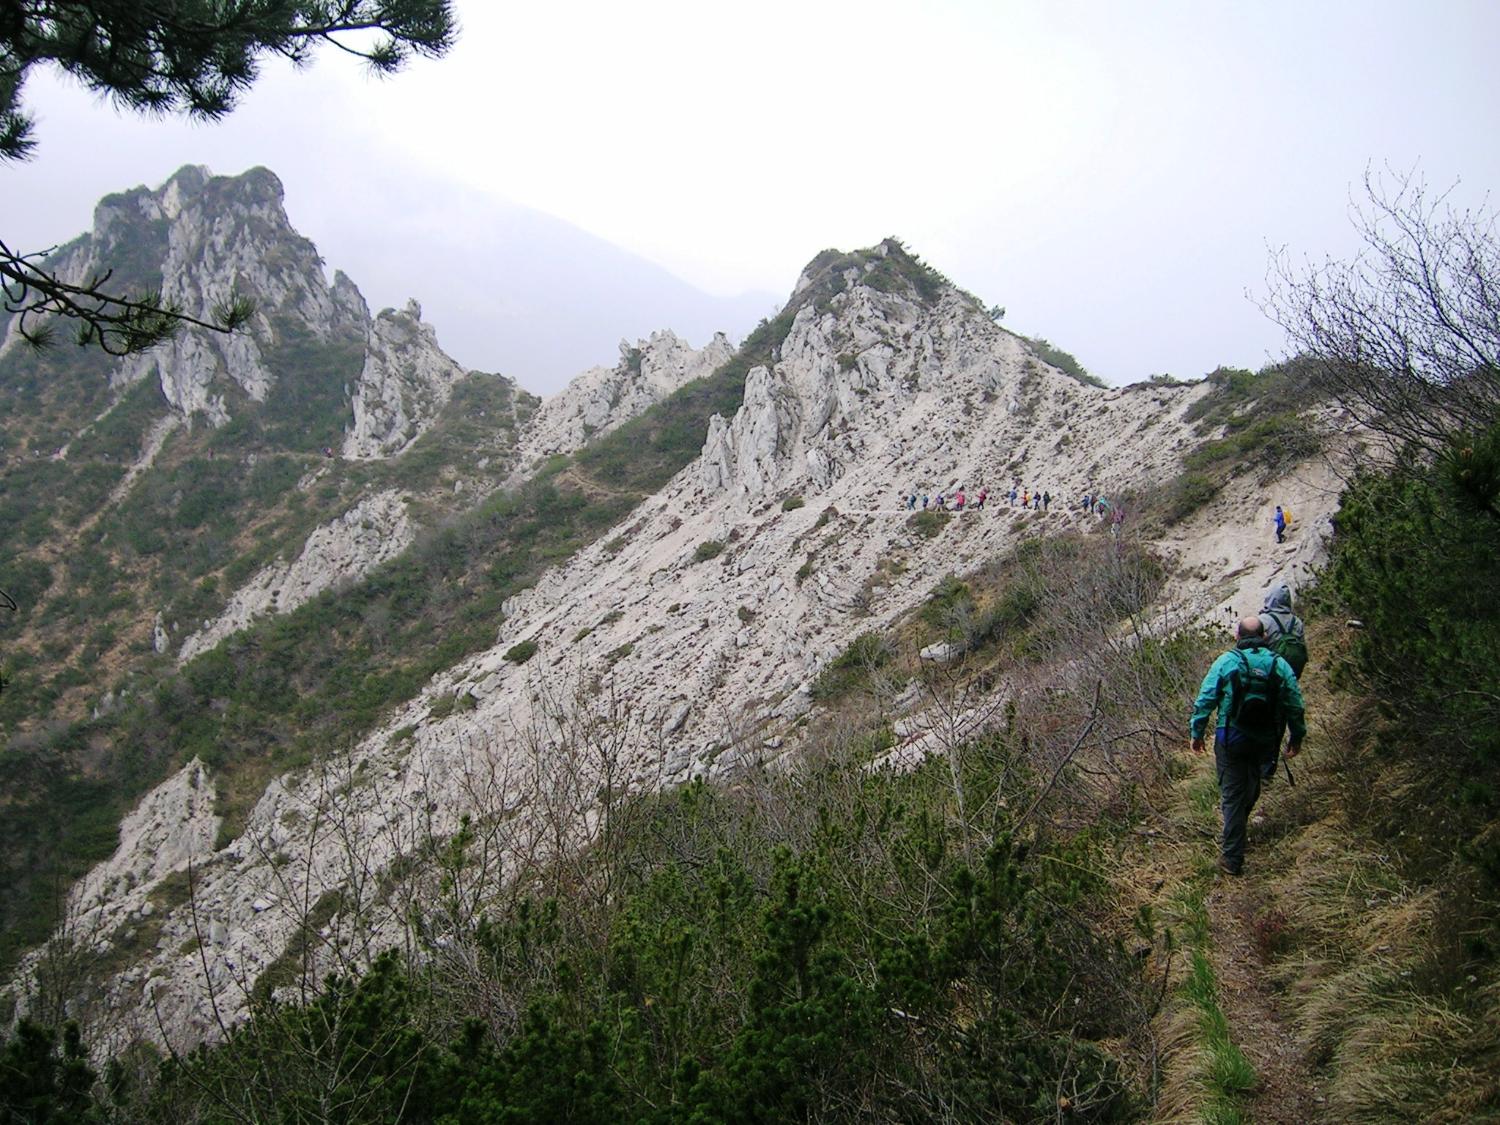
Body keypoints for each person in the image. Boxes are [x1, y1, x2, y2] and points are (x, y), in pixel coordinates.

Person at [1191, 617, 1306, 875]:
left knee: (1232, 795)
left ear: (1237, 636)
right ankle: (1237, 832)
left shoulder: (1227, 661)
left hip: (1231, 737)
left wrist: (1197, 732)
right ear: (1265, 637)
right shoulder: (1279, 664)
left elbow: (1206, 698)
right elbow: (1295, 703)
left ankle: (1232, 859)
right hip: (1265, 739)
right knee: (1252, 787)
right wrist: (1296, 736)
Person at [1258, 583, 1309, 779]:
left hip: (1267, 680)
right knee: (1279, 722)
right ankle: (1270, 766)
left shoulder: (1263, 621)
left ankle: (1258, 769)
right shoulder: (1297, 622)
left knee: (1262, 721)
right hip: (1290, 678)